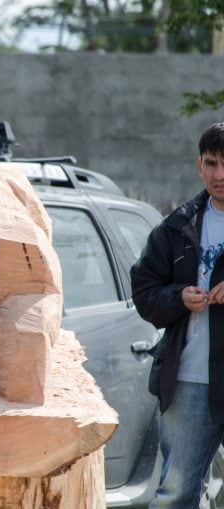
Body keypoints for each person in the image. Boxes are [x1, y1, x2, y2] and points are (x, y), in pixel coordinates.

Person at [131, 121, 224, 507]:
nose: (220, 175)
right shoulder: (174, 227)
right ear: (198, 165)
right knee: (175, 495)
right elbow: (145, 291)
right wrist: (177, 298)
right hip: (188, 383)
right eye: (212, 163)